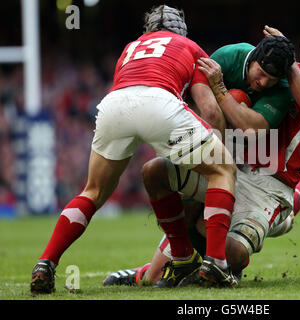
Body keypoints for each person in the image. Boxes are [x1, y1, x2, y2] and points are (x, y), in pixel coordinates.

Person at [104, 15, 300, 282]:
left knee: (229, 250)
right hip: (236, 165)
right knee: (161, 179)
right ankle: (155, 270)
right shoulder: (276, 71)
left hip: (272, 182)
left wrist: (288, 59)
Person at [30, 4, 238, 295]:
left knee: (92, 192)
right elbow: (211, 113)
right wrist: (216, 153)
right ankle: (216, 263)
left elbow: (131, 87)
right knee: (223, 170)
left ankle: (45, 262)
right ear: (182, 29)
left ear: (147, 30)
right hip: (159, 101)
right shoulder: (190, 46)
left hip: (114, 105)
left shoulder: (131, 47)